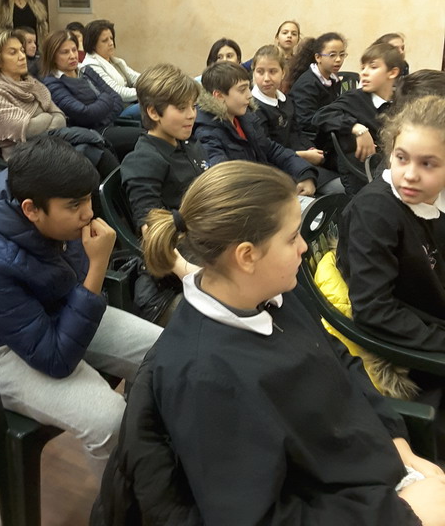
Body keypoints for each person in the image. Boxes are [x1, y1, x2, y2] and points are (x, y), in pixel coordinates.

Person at [118, 160, 445, 526]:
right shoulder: (205, 377)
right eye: (291, 239)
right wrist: (401, 512)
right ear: (247, 256)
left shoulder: (272, 293)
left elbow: (340, 361)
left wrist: (396, 443)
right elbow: (258, 517)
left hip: (379, 471)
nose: (304, 247)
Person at [0, 135, 162, 476]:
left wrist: (87, 269)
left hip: (51, 311)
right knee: (109, 421)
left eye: (88, 198)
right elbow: (56, 359)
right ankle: (122, 501)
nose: (88, 213)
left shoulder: (44, 196)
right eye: (74, 205)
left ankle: (153, 450)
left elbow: (69, 287)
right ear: (31, 209)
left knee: (165, 352)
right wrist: (98, 265)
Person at [337, 95, 445, 365]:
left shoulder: (435, 197)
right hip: (420, 345)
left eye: (427, 164)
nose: (410, 174)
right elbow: (373, 310)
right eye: (401, 158)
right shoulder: (375, 212)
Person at [194, 62, 317, 203]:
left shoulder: (245, 117)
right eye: (242, 90)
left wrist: (304, 173)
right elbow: (227, 181)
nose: (249, 95)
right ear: (219, 96)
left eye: (249, 88)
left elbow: (272, 150)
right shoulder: (206, 132)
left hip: (265, 191)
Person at [120, 64, 208, 230]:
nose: (191, 115)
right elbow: (152, 229)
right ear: (154, 112)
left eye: (193, 106)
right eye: (181, 108)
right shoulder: (142, 161)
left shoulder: (188, 143)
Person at [313, 42, 404, 194]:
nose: (364, 73)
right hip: (361, 176)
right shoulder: (355, 98)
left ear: (392, 72)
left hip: (393, 171)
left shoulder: (400, 103)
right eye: (363, 68)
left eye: (373, 67)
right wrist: (356, 127)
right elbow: (321, 116)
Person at [251, 45, 343, 193]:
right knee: (339, 189)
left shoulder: (285, 100)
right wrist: (304, 156)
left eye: (273, 71)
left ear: (283, 73)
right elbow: (266, 151)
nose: (266, 78)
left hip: (298, 159)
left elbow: (297, 132)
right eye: (260, 72)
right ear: (253, 72)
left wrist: (311, 149)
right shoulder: (254, 107)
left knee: (345, 177)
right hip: (278, 169)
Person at [40, 30, 141, 160]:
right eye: (65, 52)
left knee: (151, 134)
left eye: (74, 50)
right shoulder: (52, 82)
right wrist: (104, 98)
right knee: (143, 137)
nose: (72, 56)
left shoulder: (86, 71)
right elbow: (84, 114)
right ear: (53, 56)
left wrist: (101, 114)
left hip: (109, 124)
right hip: (90, 134)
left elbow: (116, 98)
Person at [0, 29, 66, 160]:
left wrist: (45, 123)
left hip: (52, 145)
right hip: (22, 157)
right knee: (85, 148)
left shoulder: (30, 82)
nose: (22, 56)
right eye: (13, 52)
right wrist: (48, 116)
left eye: (22, 50)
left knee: (90, 145)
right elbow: (27, 130)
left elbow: (60, 116)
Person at [287, 31, 347, 145]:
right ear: (318, 57)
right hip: (310, 141)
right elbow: (306, 122)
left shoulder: (333, 79)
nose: (338, 59)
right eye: (332, 55)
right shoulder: (307, 85)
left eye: (342, 54)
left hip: (328, 134)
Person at [81, 20, 140, 115]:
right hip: (116, 111)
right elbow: (118, 93)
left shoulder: (114, 60)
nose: (111, 43)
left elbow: (136, 78)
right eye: (105, 40)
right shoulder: (91, 66)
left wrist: (156, 84)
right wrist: (147, 92)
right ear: (92, 45)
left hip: (130, 104)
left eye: (111, 38)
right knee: (156, 106)